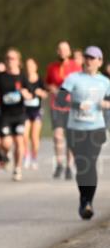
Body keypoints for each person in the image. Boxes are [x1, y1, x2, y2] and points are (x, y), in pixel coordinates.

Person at [60, 46, 110, 219]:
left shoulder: (105, 82)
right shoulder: (73, 78)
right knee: (82, 166)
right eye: (87, 57)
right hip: (75, 129)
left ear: (100, 62)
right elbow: (60, 98)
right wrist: (75, 105)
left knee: (91, 163)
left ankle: (88, 202)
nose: (89, 60)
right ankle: (84, 199)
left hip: (96, 128)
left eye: (93, 58)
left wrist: (106, 104)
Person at [0, 48, 31, 181]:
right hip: (5, 115)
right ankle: (5, 153)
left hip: (20, 114)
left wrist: (27, 94)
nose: (10, 61)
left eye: (13, 58)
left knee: (19, 141)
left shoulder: (22, 76)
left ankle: (17, 168)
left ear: (18, 61)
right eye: (8, 58)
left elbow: (31, 93)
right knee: (6, 142)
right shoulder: (0, 77)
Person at [46, 40, 81, 179]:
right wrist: (52, 88)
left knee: (70, 137)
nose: (62, 52)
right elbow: (47, 83)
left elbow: (80, 84)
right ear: (57, 52)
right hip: (56, 105)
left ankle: (69, 166)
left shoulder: (76, 67)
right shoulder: (52, 67)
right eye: (60, 49)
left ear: (69, 52)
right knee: (57, 135)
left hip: (71, 106)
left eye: (65, 49)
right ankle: (59, 163)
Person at [22, 57, 47, 170]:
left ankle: (34, 158)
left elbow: (46, 93)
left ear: (35, 67)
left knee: (34, 136)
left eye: (31, 65)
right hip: (25, 110)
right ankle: (26, 155)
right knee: (24, 135)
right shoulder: (23, 79)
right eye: (27, 66)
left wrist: (40, 92)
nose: (29, 68)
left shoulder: (40, 80)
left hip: (36, 110)